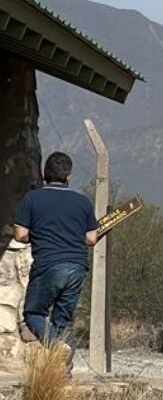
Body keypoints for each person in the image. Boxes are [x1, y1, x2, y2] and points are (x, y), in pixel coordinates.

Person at [11, 152, 99, 362]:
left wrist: (38, 235)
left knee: (33, 314)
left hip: (48, 265)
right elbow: (91, 238)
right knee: (64, 322)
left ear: (44, 174)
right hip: (77, 266)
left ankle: (56, 346)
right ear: (69, 176)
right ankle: (63, 374)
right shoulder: (82, 201)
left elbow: (20, 234)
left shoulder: (32, 198)